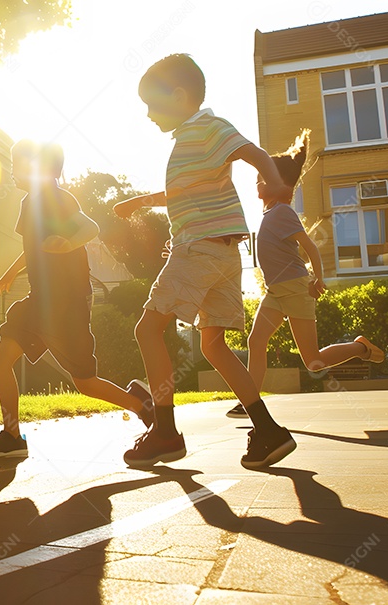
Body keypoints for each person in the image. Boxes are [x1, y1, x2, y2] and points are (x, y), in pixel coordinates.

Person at [114, 53, 297, 470]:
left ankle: (163, 432)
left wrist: (274, 181)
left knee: (148, 329)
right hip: (224, 254)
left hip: (199, 249)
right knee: (214, 345)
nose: (146, 114)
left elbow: (253, 153)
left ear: (179, 96)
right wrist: (141, 202)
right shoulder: (190, 140)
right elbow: (181, 193)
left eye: (151, 103)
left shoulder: (208, 127)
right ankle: (268, 430)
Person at [0, 140, 154, 460]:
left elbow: (90, 226)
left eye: (17, 165)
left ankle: (141, 405)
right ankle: (12, 434)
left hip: (65, 302)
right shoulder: (30, 202)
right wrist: (9, 274)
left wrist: (68, 242)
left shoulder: (56, 197)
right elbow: (33, 248)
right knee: (0, 360)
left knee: (84, 382)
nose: (13, 171)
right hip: (40, 300)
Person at [228, 129, 383, 416]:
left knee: (313, 361)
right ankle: (250, 401)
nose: (258, 183)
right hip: (276, 293)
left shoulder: (283, 212)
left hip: (296, 289)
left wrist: (318, 279)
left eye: (263, 179)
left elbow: (309, 247)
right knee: (256, 340)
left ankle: (360, 348)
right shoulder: (269, 214)